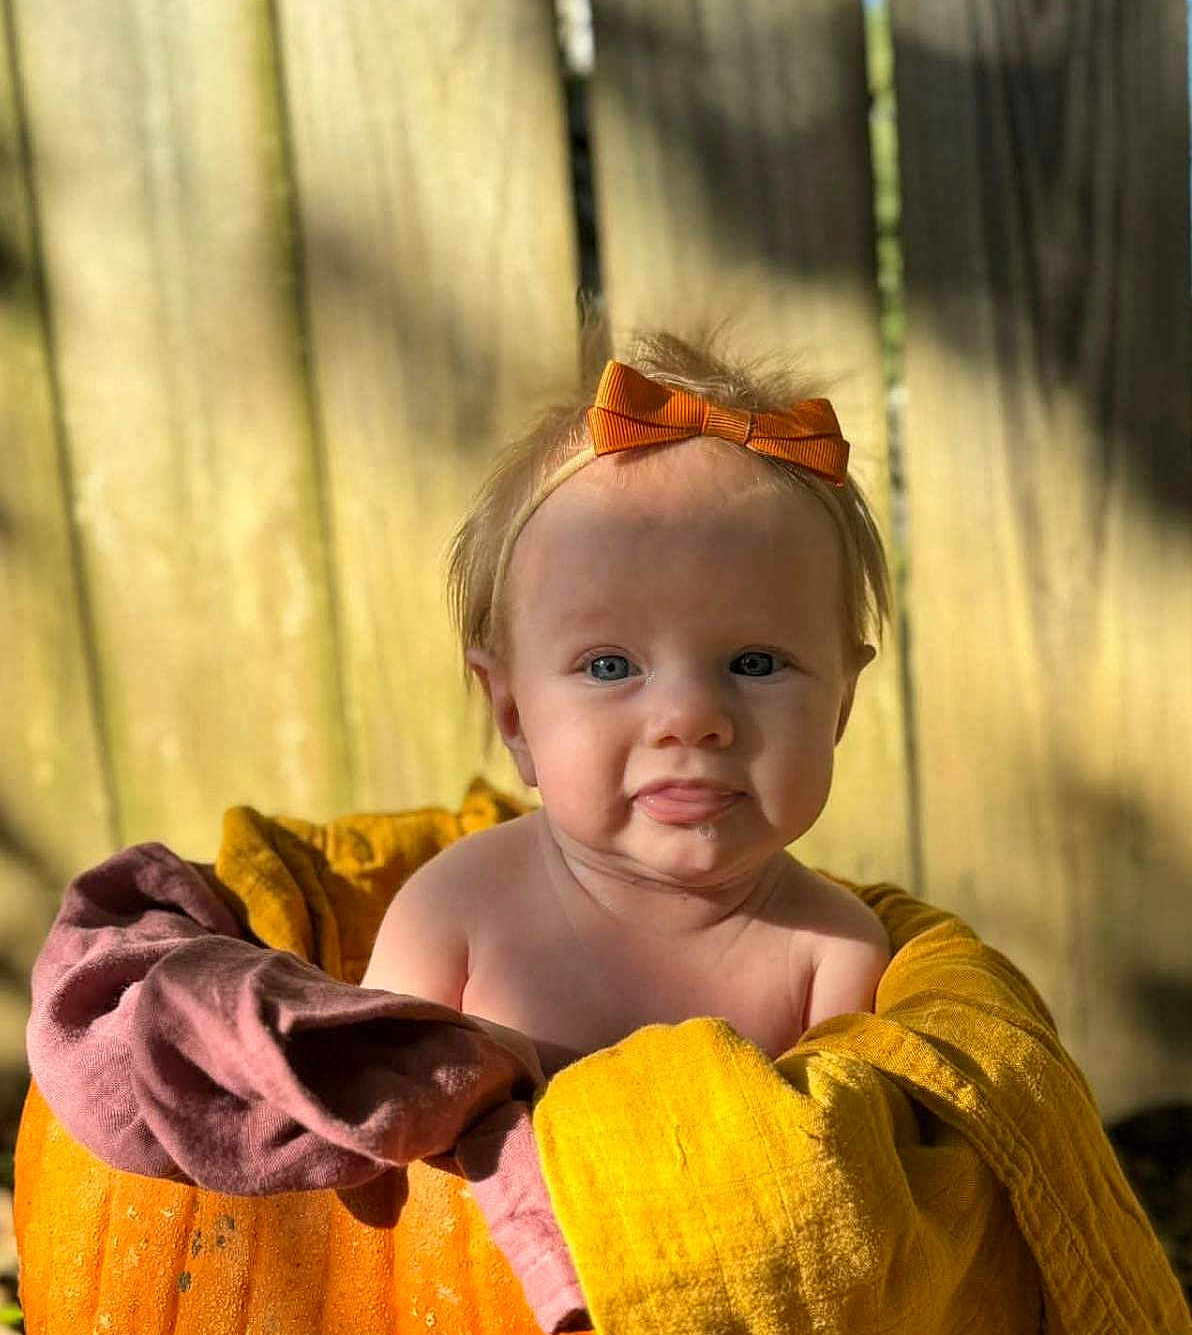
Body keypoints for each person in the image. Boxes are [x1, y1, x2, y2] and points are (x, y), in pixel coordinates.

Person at [362, 331, 895, 1082]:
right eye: (610, 666)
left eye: (755, 662)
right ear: (513, 717)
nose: (691, 716)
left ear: (841, 705)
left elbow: (833, 1176)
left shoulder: (834, 955)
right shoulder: (451, 917)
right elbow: (369, 1149)